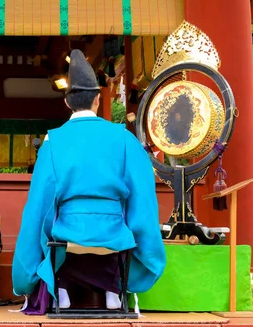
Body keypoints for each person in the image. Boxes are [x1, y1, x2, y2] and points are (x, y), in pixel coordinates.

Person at [11, 49, 166, 315]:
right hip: (114, 234)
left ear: (67, 103)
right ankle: (113, 289)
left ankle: (62, 289)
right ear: (97, 99)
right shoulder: (124, 138)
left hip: (68, 235)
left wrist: (24, 275)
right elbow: (143, 201)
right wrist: (145, 243)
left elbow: (39, 207)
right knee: (120, 228)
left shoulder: (52, 141)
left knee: (56, 230)